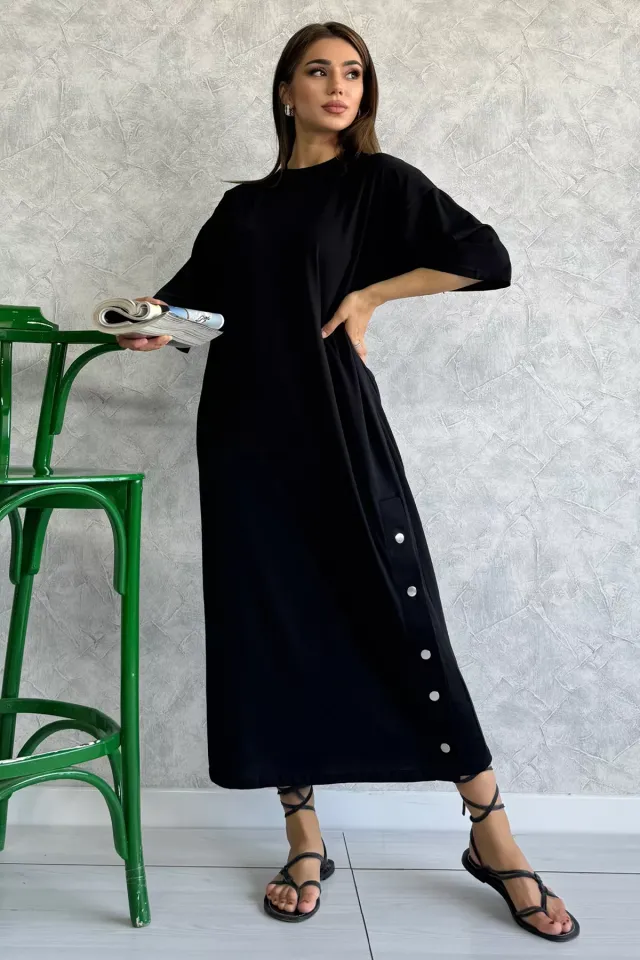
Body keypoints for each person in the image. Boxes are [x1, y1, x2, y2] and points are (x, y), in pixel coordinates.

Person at [118, 21, 579, 943]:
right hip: (244, 437)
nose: (339, 85)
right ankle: (303, 836)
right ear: (285, 91)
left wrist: (370, 295)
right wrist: (152, 323)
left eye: (354, 72)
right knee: (270, 623)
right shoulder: (243, 207)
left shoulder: (377, 182)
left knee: (401, 610)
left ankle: (491, 831)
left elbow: (487, 257)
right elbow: (197, 305)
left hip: (335, 421)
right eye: (318, 71)